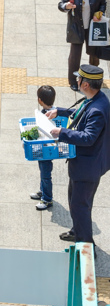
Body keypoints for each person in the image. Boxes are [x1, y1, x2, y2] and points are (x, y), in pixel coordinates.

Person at [47, 64, 110, 244]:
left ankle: (86, 245)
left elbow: (88, 137)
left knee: (80, 206)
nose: (76, 80)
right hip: (82, 166)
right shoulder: (96, 99)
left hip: (87, 168)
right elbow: (81, 114)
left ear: (85, 85)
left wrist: (62, 133)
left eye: (78, 78)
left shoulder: (97, 110)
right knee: (75, 202)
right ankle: (77, 230)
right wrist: (60, 111)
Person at [58, 0, 106, 90]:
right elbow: (61, 4)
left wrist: (99, 14)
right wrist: (66, 6)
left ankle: (93, 78)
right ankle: (73, 81)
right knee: (74, 56)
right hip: (76, 28)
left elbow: (103, 3)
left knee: (94, 54)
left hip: (92, 28)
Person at [30, 85, 56, 210]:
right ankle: (43, 192)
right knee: (43, 173)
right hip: (45, 150)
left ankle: (47, 199)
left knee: (46, 175)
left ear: (40, 100)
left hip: (47, 151)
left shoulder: (48, 115)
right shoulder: (53, 112)